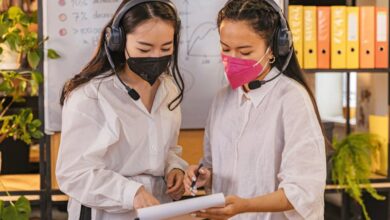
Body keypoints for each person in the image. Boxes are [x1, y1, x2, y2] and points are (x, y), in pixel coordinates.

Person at [184, 0, 326, 219]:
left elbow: (303, 191)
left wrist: (246, 205)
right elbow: (215, 164)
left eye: (244, 51)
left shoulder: (292, 99)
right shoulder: (221, 100)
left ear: (273, 50)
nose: (233, 59)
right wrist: (205, 175)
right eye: (225, 49)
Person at [56, 0, 188, 219]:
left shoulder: (169, 89)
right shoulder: (90, 97)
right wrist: (131, 193)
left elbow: (166, 149)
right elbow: (73, 174)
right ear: (118, 41)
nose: (156, 56)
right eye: (144, 48)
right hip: (105, 213)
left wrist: (174, 168)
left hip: (157, 209)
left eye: (166, 48)